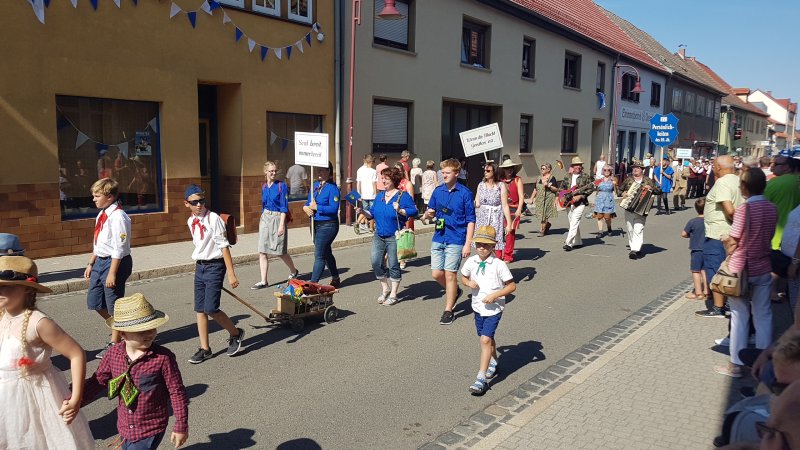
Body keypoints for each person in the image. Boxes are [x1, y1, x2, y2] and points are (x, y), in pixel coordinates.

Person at [0, 256, 95, 449]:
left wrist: (76, 398)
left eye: (5, 286)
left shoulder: (38, 323)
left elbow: (76, 353)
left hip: (34, 396)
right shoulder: (2, 315)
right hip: (6, 396)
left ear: (27, 288)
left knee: (39, 441)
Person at [83, 293, 188, 449]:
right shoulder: (113, 354)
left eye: (152, 328)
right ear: (123, 333)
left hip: (151, 427)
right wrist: (75, 400)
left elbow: (177, 392)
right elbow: (99, 380)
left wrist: (181, 425)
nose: (150, 333)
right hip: (125, 426)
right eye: (142, 331)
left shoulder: (163, 358)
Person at [713, 168, 777, 378]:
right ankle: (762, 365)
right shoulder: (771, 208)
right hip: (764, 266)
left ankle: (736, 364)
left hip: (741, 268)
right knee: (764, 316)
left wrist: (725, 242)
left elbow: (734, 239)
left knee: (740, 317)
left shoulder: (744, 209)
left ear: (744, 187)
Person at [183, 185, 245, 364]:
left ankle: (235, 333)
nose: (199, 205)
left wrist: (231, 274)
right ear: (186, 204)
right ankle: (205, 349)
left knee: (211, 308)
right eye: (194, 202)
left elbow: (223, 247)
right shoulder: (190, 221)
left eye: (202, 201)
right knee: (200, 310)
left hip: (215, 266)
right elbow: (200, 245)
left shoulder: (213, 219)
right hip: (200, 266)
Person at [460, 226, 516, 395]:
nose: (482, 247)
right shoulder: (471, 261)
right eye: (479, 244)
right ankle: (494, 362)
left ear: (493, 246)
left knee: (484, 340)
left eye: (486, 245)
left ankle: (481, 378)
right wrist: (468, 283)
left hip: (494, 308)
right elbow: (463, 277)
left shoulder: (499, 265)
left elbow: (512, 286)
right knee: (488, 339)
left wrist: (495, 295)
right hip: (477, 307)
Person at [423, 158, 476, 326]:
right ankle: (456, 291)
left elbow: (471, 220)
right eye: (442, 172)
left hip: (456, 238)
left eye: (447, 172)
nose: (444, 175)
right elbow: (428, 213)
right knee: (436, 274)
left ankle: (448, 310)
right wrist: (427, 215)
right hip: (439, 236)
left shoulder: (465, 193)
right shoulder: (438, 191)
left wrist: (468, 243)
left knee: (450, 274)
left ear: (456, 173)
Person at [85, 178, 133, 359]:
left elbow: (119, 248)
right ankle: (121, 329)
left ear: (110, 197)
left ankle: (115, 342)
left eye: (97, 196)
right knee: (95, 301)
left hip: (116, 262)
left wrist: (112, 272)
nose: (93, 199)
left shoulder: (119, 217)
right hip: (100, 261)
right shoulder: (102, 214)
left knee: (113, 303)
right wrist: (91, 262)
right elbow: (99, 243)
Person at [357, 167, 417, 306]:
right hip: (379, 235)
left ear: (393, 180)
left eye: (386, 178)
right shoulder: (380, 196)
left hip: (394, 236)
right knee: (376, 262)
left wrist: (401, 210)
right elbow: (372, 214)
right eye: (382, 178)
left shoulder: (402, 196)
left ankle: (394, 294)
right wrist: (362, 211)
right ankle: (385, 288)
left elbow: (413, 211)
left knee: (394, 265)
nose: (382, 180)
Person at [697, 155, 745, 318]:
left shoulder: (723, 183)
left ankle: (719, 307)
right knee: (729, 270)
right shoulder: (738, 180)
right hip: (730, 234)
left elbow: (729, 210)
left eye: (714, 165)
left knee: (716, 270)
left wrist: (737, 223)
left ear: (718, 167)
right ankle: (729, 305)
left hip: (719, 234)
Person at [252, 161, 299, 290]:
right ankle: (263, 280)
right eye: (271, 171)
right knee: (262, 250)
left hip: (278, 217)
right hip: (266, 217)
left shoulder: (281, 186)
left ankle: (293, 270)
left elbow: (284, 206)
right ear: (265, 172)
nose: (273, 173)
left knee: (279, 251)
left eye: (275, 171)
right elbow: (263, 205)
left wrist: (281, 225)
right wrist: (263, 219)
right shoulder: (264, 186)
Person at [303, 162, 341, 287]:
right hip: (315, 223)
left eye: (322, 170)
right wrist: (306, 208)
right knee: (326, 252)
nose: (319, 172)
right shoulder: (314, 186)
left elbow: (333, 209)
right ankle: (335, 277)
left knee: (319, 254)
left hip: (328, 225)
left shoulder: (333, 188)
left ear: (329, 172)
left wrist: (317, 207)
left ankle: (313, 283)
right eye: (318, 170)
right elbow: (309, 202)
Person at [619, 159, 660, 259]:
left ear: (642, 170)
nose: (635, 169)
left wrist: (651, 188)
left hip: (642, 208)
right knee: (630, 229)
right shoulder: (628, 179)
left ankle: (634, 250)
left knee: (638, 229)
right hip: (629, 207)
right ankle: (635, 247)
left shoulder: (648, 180)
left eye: (638, 168)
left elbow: (659, 190)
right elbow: (620, 190)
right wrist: (622, 194)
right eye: (634, 168)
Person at [474, 161, 512, 259]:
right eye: (484, 170)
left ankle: (496, 265)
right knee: (482, 243)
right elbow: (477, 203)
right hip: (482, 217)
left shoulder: (500, 186)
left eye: (488, 170)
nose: (485, 172)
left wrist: (509, 223)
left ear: (494, 172)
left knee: (495, 242)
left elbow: (505, 205)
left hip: (495, 217)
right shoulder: (481, 185)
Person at [558, 156, 595, 251]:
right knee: (572, 223)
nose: (578, 166)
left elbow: (591, 188)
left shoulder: (586, 176)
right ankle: (578, 241)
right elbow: (562, 188)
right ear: (572, 166)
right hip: (568, 202)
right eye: (576, 165)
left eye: (579, 165)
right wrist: (561, 197)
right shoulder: (567, 176)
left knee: (574, 221)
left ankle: (568, 243)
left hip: (580, 203)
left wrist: (581, 196)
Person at [764, 155, 800, 250]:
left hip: (776, 237)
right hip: (796, 239)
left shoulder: (775, 183)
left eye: (775, 164)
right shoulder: (797, 181)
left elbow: (761, 207)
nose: (772, 167)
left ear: (786, 167)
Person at [682, 198, 708, 300]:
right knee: (704, 270)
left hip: (696, 249)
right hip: (707, 248)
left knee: (695, 271)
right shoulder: (709, 221)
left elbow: (683, 234)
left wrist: (691, 235)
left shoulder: (693, 222)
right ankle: (707, 291)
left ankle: (698, 293)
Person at [499, 159, 524, 262]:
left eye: (511, 168)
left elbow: (521, 196)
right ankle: (498, 255)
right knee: (499, 232)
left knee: (510, 233)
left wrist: (519, 209)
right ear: (503, 170)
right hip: (502, 208)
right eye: (506, 168)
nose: (509, 170)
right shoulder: (500, 181)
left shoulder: (518, 180)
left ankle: (508, 255)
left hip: (513, 208)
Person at [528, 163, 558, 237]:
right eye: (541, 168)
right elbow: (535, 189)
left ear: (548, 170)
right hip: (540, 199)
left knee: (545, 215)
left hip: (549, 198)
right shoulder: (539, 178)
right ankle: (547, 225)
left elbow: (556, 189)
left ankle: (542, 230)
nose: (542, 170)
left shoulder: (552, 178)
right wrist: (531, 198)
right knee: (541, 214)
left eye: (543, 168)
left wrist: (548, 186)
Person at [592, 165, 617, 237]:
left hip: (608, 199)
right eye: (605, 170)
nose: (606, 171)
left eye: (608, 170)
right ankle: (600, 231)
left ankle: (609, 228)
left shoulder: (613, 179)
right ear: (603, 171)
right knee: (599, 217)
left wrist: (615, 184)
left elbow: (617, 191)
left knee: (607, 217)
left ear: (610, 171)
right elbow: (597, 191)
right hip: (600, 199)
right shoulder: (600, 180)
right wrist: (594, 201)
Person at [356, 154, 378, 234]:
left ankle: (358, 222)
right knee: (372, 212)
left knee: (365, 210)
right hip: (372, 195)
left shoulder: (360, 170)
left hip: (363, 194)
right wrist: (376, 194)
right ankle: (371, 228)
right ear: (371, 162)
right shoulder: (373, 171)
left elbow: (358, 183)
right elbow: (374, 184)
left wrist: (358, 194)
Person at [395, 162, 416, 232]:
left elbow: (411, 201)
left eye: (399, 171)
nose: (397, 173)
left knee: (405, 239)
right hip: (394, 215)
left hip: (405, 214)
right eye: (396, 171)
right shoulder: (393, 183)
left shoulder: (407, 183)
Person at [420, 160, 439, 224]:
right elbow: (436, 182)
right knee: (431, 206)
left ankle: (430, 219)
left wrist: (422, 191)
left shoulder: (424, 173)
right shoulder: (434, 173)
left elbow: (422, 183)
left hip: (425, 190)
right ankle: (424, 217)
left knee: (429, 205)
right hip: (431, 190)